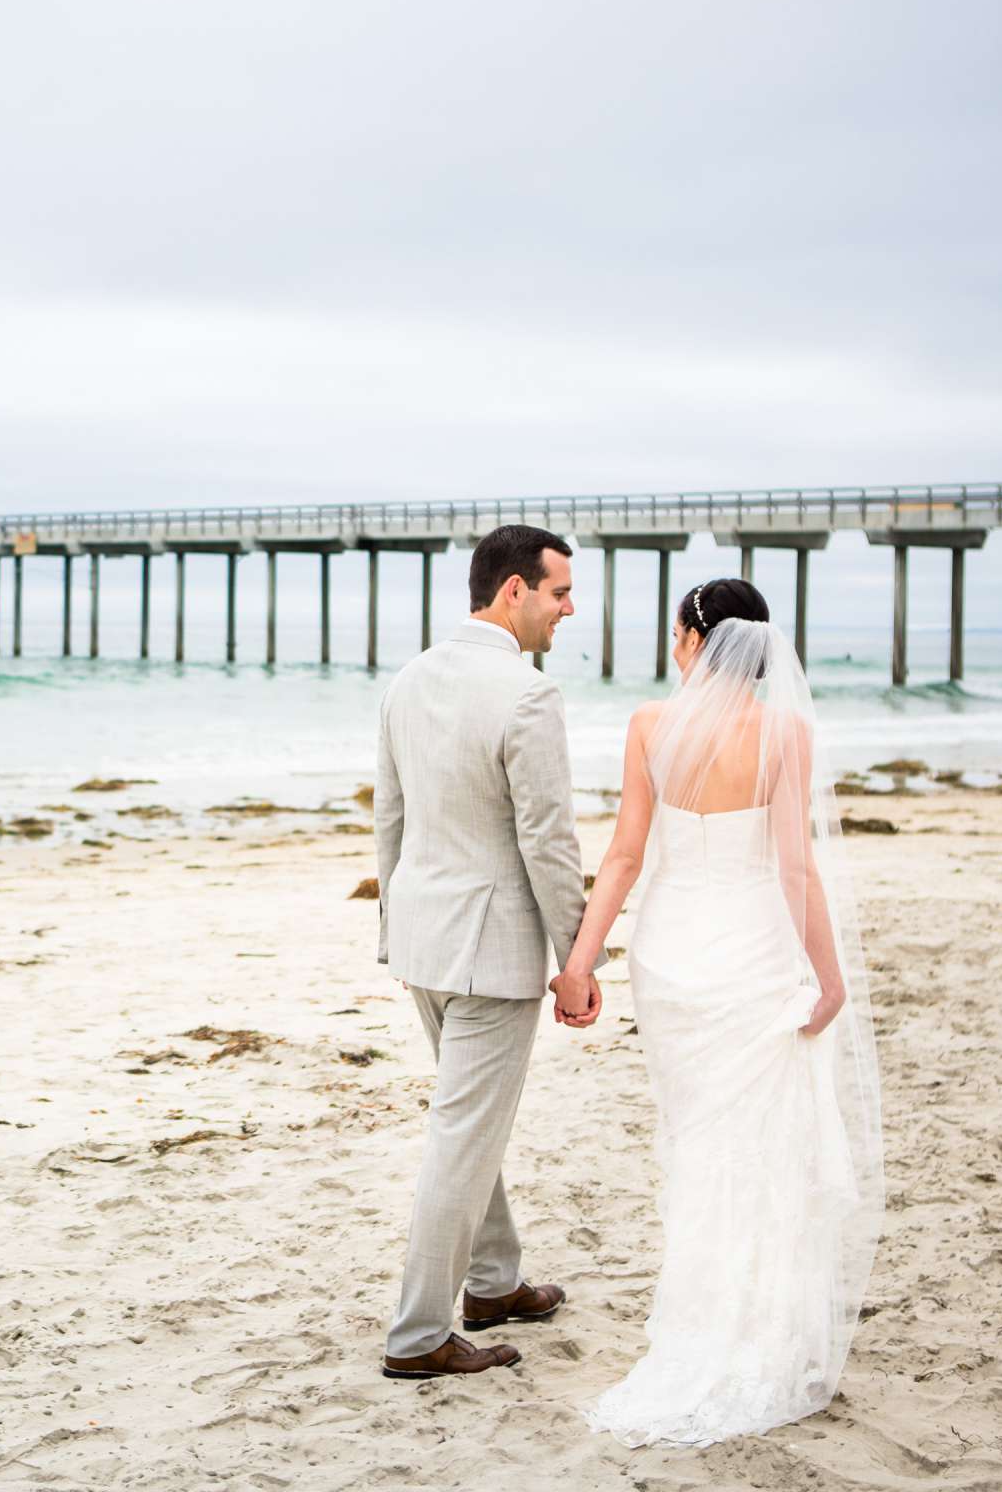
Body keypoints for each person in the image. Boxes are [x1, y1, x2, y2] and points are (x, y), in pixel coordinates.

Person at [561, 577, 886, 1445]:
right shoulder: (785, 731)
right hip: (752, 952)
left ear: (688, 639)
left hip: (669, 957)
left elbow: (625, 856)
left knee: (698, 1143)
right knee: (763, 1148)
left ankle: (702, 1324)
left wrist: (580, 963)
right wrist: (831, 974)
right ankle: (757, 1331)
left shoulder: (647, 728)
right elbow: (794, 870)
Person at [372, 524, 600, 1381]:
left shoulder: (409, 679)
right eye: (559, 593)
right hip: (492, 953)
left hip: (423, 939)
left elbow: (388, 817)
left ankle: (495, 1283)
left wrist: (396, 924)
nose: (568, 609)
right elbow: (548, 839)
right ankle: (418, 1335)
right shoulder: (528, 694)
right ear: (513, 590)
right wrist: (579, 958)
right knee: (463, 1135)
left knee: (473, 1124)